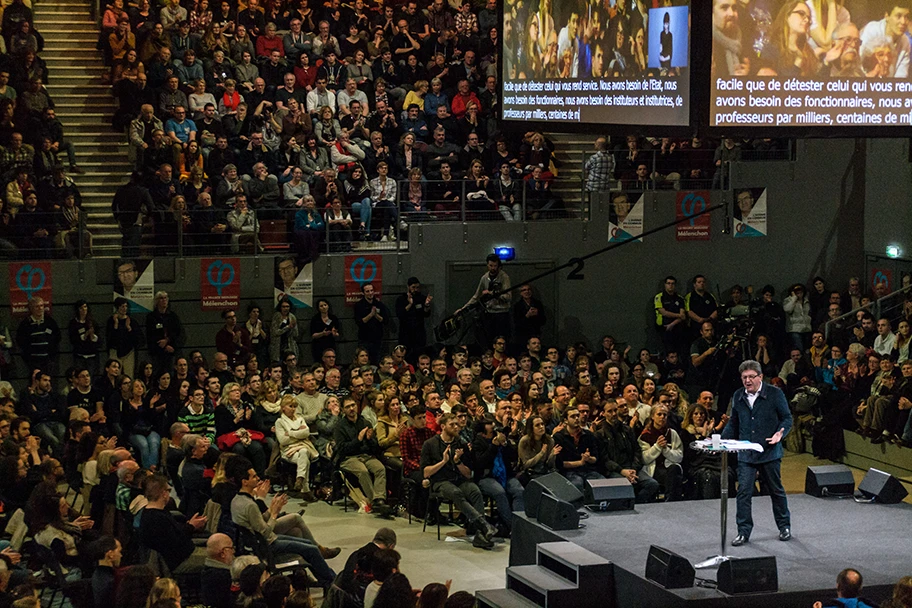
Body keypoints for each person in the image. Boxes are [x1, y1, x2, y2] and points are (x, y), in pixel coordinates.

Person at [723, 360, 793, 546]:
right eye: (744, 377)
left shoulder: (775, 394)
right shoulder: (738, 395)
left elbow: (787, 418)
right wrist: (720, 441)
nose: (747, 380)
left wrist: (780, 434)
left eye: (751, 377)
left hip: (769, 452)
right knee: (743, 493)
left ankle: (784, 526)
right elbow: (733, 423)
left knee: (775, 491)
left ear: (760, 377)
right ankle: (743, 532)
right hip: (746, 454)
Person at [421, 412, 497, 549]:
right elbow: (426, 472)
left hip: (459, 479)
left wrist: (457, 462)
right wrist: (444, 461)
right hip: (440, 482)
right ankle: (483, 524)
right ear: (443, 426)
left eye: (457, 424)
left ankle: (481, 534)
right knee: (455, 493)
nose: (456, 427)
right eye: (452, 424)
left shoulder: (461, 444)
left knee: (474, 490)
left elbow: (468, 474)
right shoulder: (430, 444)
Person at [334, 396, 389, 514]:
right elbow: (342, 449)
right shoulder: (339, 426)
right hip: (348, 458)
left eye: (353, 405)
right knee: (362, 471)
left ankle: (380, 499)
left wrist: (369, 439)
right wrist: (358, 440)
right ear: (343, 410)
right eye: (348, 407)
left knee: (380, 468)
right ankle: (374, 501)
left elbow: (375, 448)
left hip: (366, 455)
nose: (351, 409)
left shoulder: (365, 422)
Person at [456, 253, 512, 346]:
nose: (493, 268)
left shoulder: (504, 277)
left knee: (502, 340)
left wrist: (492, 293)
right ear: (487, 265)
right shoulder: (485, 278)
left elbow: (508, 297)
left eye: (495, 266)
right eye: (491, 265)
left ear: (499, 266)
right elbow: (476, 296)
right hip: (489, 313)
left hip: (501, 313)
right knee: (487, 339)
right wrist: (463, 309)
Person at [354, 283, 390, 364]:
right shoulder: (359, 305)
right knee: (364, 361)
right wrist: (371, 315)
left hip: (377, 338)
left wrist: (376, 315)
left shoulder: (379, 304)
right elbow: (359, 322)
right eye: (367, 291)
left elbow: (385, 321)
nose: (370, 293)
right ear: (363, 293)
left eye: (371, 290)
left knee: (377, 361)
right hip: (364, 339)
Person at [396, 277, 432, 355]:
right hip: (405, 334)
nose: (415, 289)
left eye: (417, 287)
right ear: (408, 287)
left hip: (419, 333)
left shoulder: (422, 298)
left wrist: (427, 305)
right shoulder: (401, 299)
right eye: (413, 287)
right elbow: (400, 314)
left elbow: (426, 314)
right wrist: (410, 304)